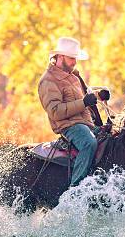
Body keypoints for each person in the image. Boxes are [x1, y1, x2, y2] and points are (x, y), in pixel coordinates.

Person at [38, 37, 108, 186]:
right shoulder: (48, 80)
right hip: (69, 126)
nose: (74, 62)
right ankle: (75, 190)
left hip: (86, 124)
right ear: (60, 57)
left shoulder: (73, 76)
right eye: (71, 58)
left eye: (75, 58)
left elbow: (84, 99)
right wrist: (84, 103)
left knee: (111, 137)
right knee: (89, 143)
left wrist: (98, 96)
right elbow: (55, 111)